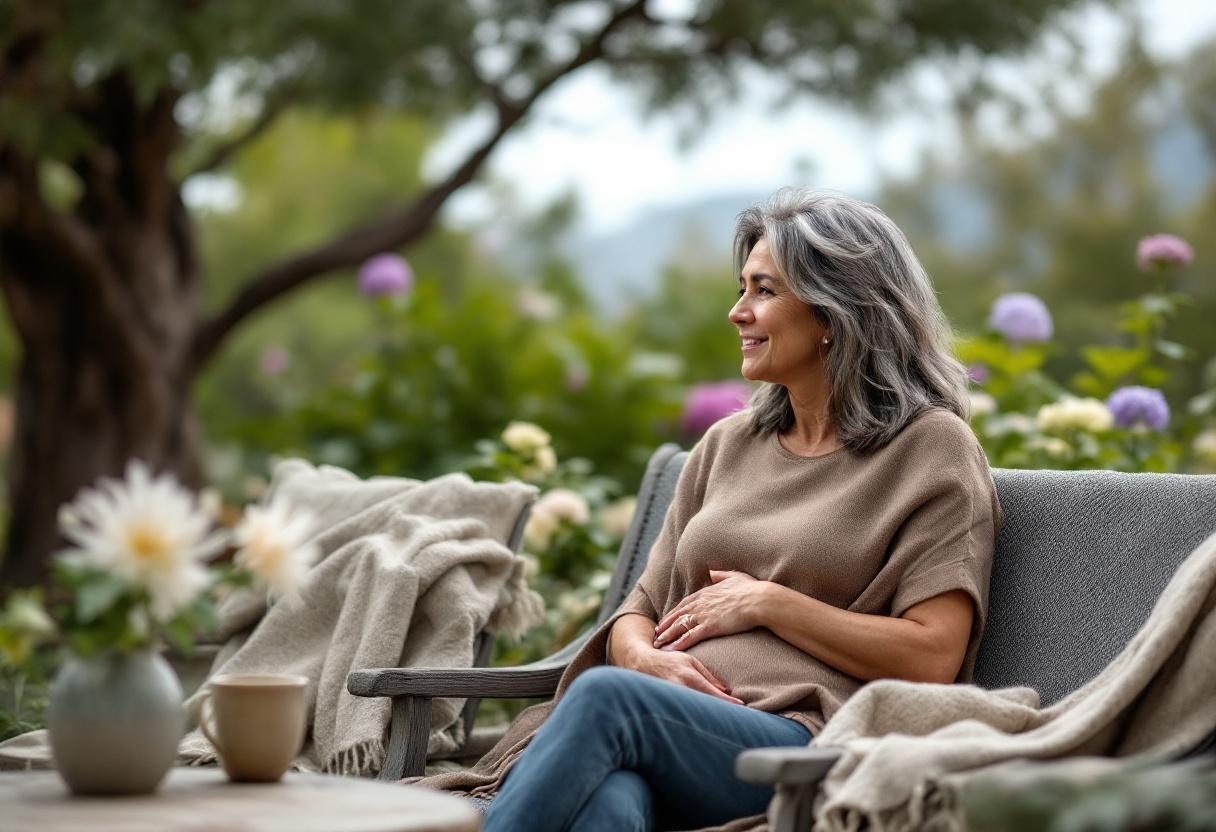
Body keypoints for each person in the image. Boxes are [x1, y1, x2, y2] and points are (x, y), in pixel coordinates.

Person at [424, 189, 1002, 832]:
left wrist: (767, 602)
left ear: (835, 313)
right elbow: (636, 611)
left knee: (608, 701)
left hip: (805, 745)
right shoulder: (728, 445)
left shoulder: (930, 450)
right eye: (742, 288)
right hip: (664, 727)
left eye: (764, 291)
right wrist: (646, 659)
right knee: (613, 802)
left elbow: (932, 656)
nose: (737, 312)